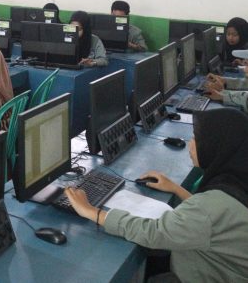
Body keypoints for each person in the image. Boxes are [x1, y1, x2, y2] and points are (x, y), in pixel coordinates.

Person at [65, 107, 248, 282]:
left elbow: (154, 233)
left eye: (196, 138)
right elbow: (215, 219)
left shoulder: (210, 209)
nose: (190, 143)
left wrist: (92, 212)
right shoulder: (235, 181)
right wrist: (176, 189)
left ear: (216, 146)